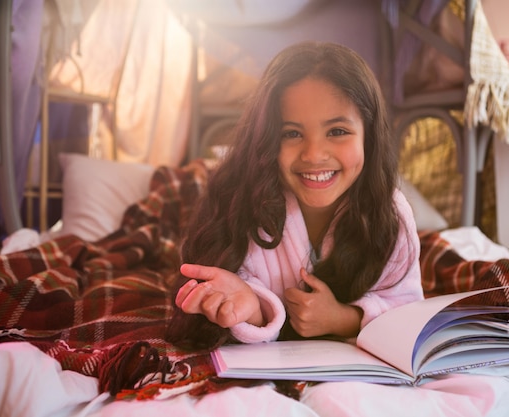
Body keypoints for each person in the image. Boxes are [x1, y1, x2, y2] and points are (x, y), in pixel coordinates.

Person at [172, 41, 423, 346]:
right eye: (291, 133)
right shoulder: (237, 203)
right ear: (266, 140)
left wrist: (340, 318)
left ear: (369, 136)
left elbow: (406, 309)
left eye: (337, 131)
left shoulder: (391, 215)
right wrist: (251, 307)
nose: (314, 154)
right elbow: (224, 292)